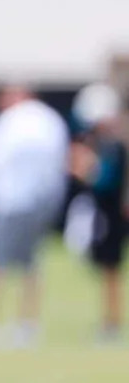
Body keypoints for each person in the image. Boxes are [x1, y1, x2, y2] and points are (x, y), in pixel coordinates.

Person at [0, 84, 69, 346]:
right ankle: (27, 325)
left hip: (11, 202)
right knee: (31, 265)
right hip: (43, 205)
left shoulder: (13, 120)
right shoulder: (51, 120)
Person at [67, 81, 126, 343]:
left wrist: (84, 168)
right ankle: (109, 320)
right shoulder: (104, 142)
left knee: (110, 269)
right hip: (107, 213)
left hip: (112, 215)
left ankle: (111, 322)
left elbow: (105, 179)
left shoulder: (112, 145)